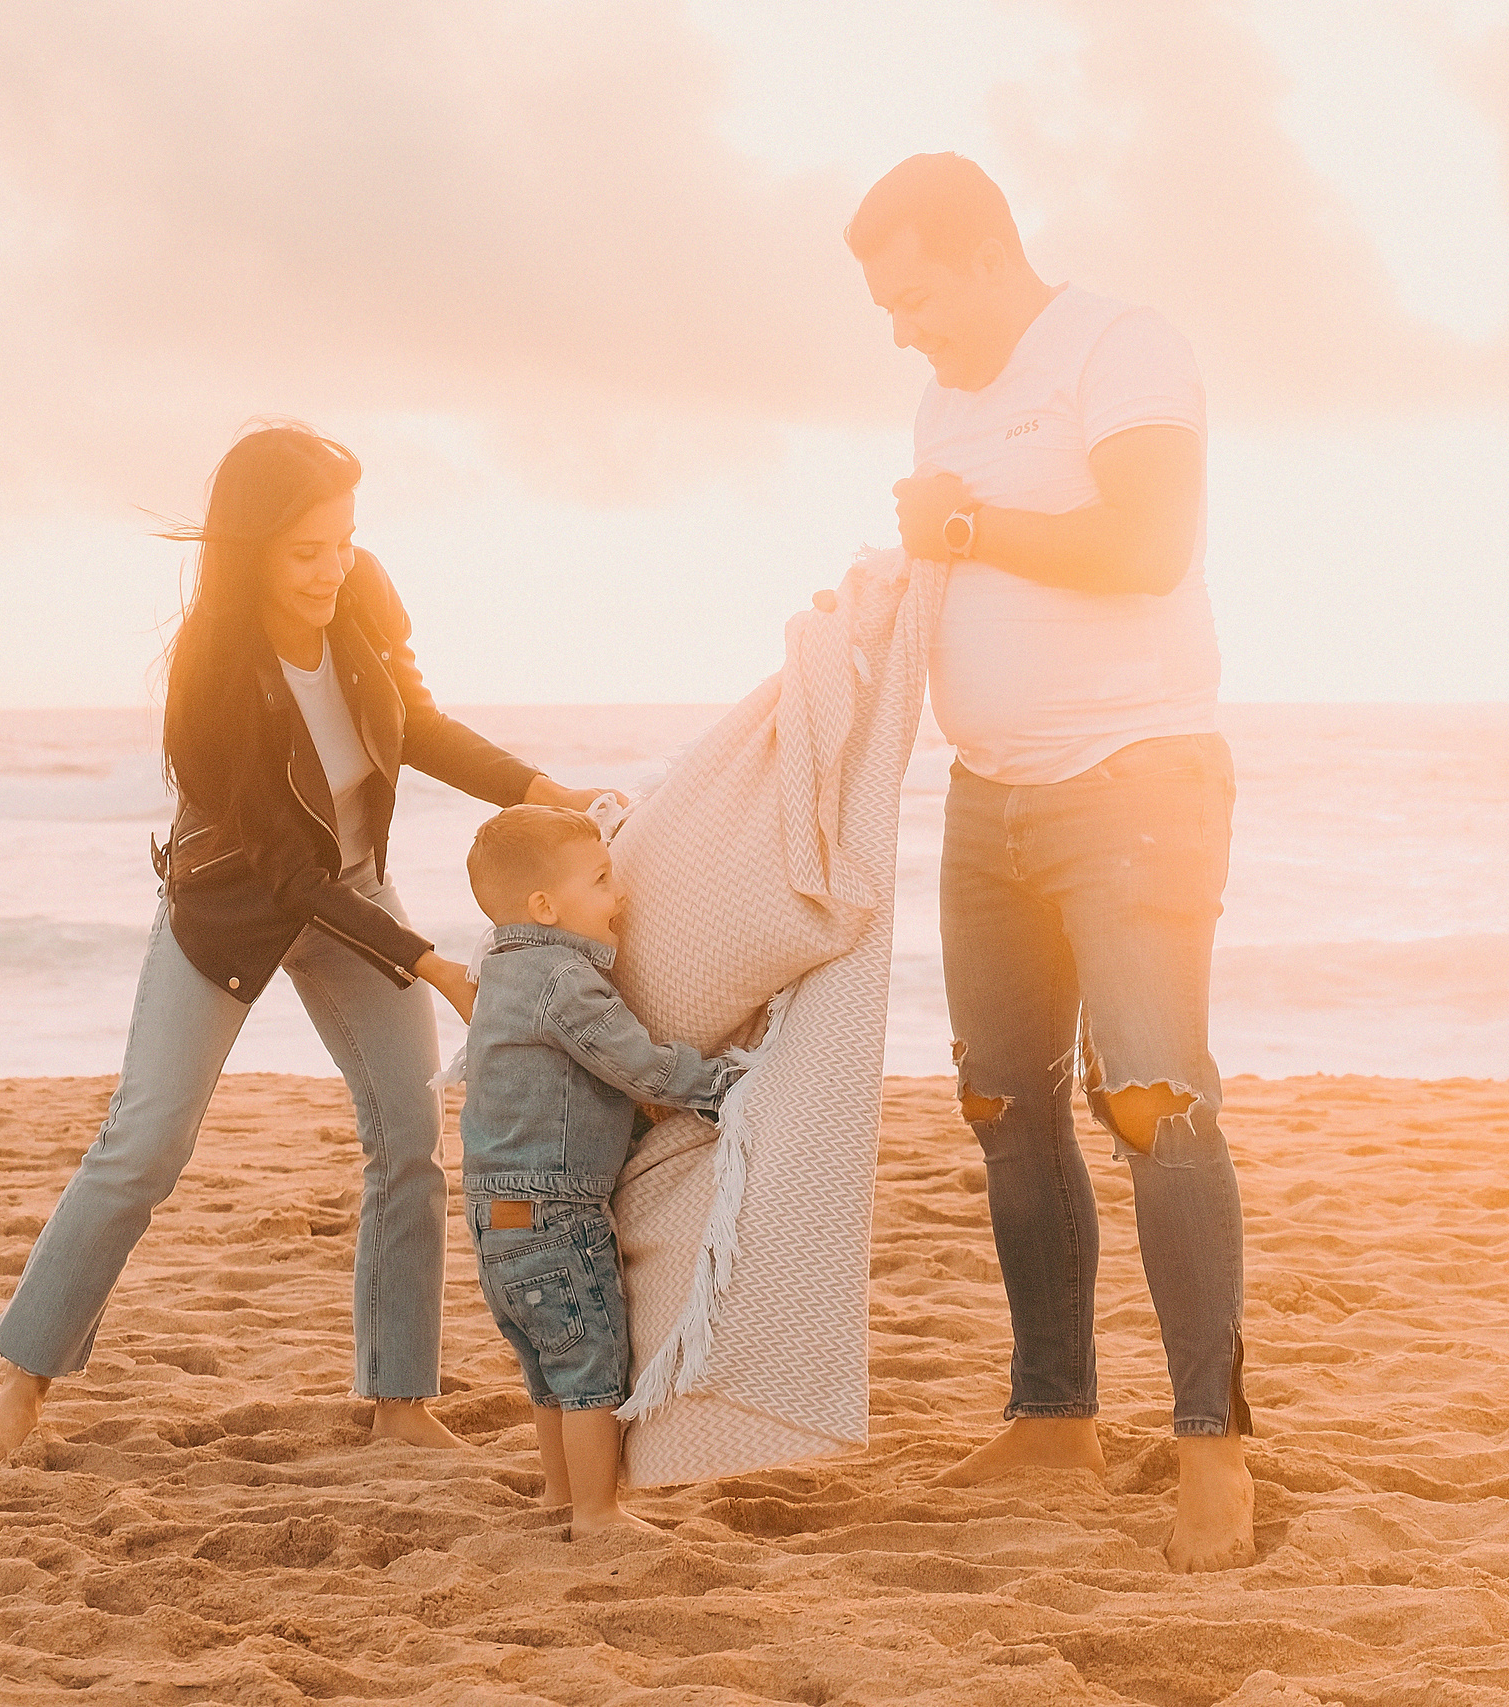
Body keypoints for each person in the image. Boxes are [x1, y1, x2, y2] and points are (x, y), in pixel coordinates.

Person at [0, 423, 616, 1473]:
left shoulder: (361, 595)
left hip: (354, 892)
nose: (332, 570)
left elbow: (416, 723)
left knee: (408, 1137)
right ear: (252, 549)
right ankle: (22, 1386)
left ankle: (399, 1399)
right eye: (305, 552)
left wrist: (548, 794)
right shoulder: (212, 674)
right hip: (235, 905)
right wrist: (430, 960)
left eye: (344, 542)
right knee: (146, 1143)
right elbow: (281, 872)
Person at [845, 153, 1255, 1571]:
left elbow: (1148, 545)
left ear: (983, 252)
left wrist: (962, 522)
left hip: (1134, 780)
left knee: (1157, 1104)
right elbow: (965, 573)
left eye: (913, 295)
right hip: (988, 798)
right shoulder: (940, 397)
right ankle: (1054, 1416)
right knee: (1005, 1105)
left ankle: (1211, 1446)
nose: (903, 328)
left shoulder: (1119, 346)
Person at [456, 805, 744, 1536]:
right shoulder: (563, 979)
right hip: (556, 1208)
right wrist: (716, 1085)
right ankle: (597, 1510)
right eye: (603, 879)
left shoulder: (502, 972)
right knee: (591, 1362)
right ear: (547, 907)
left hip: (496, 1215)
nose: (621, 896)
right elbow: (632, 1060)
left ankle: (561, 1496)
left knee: (549, 1369)